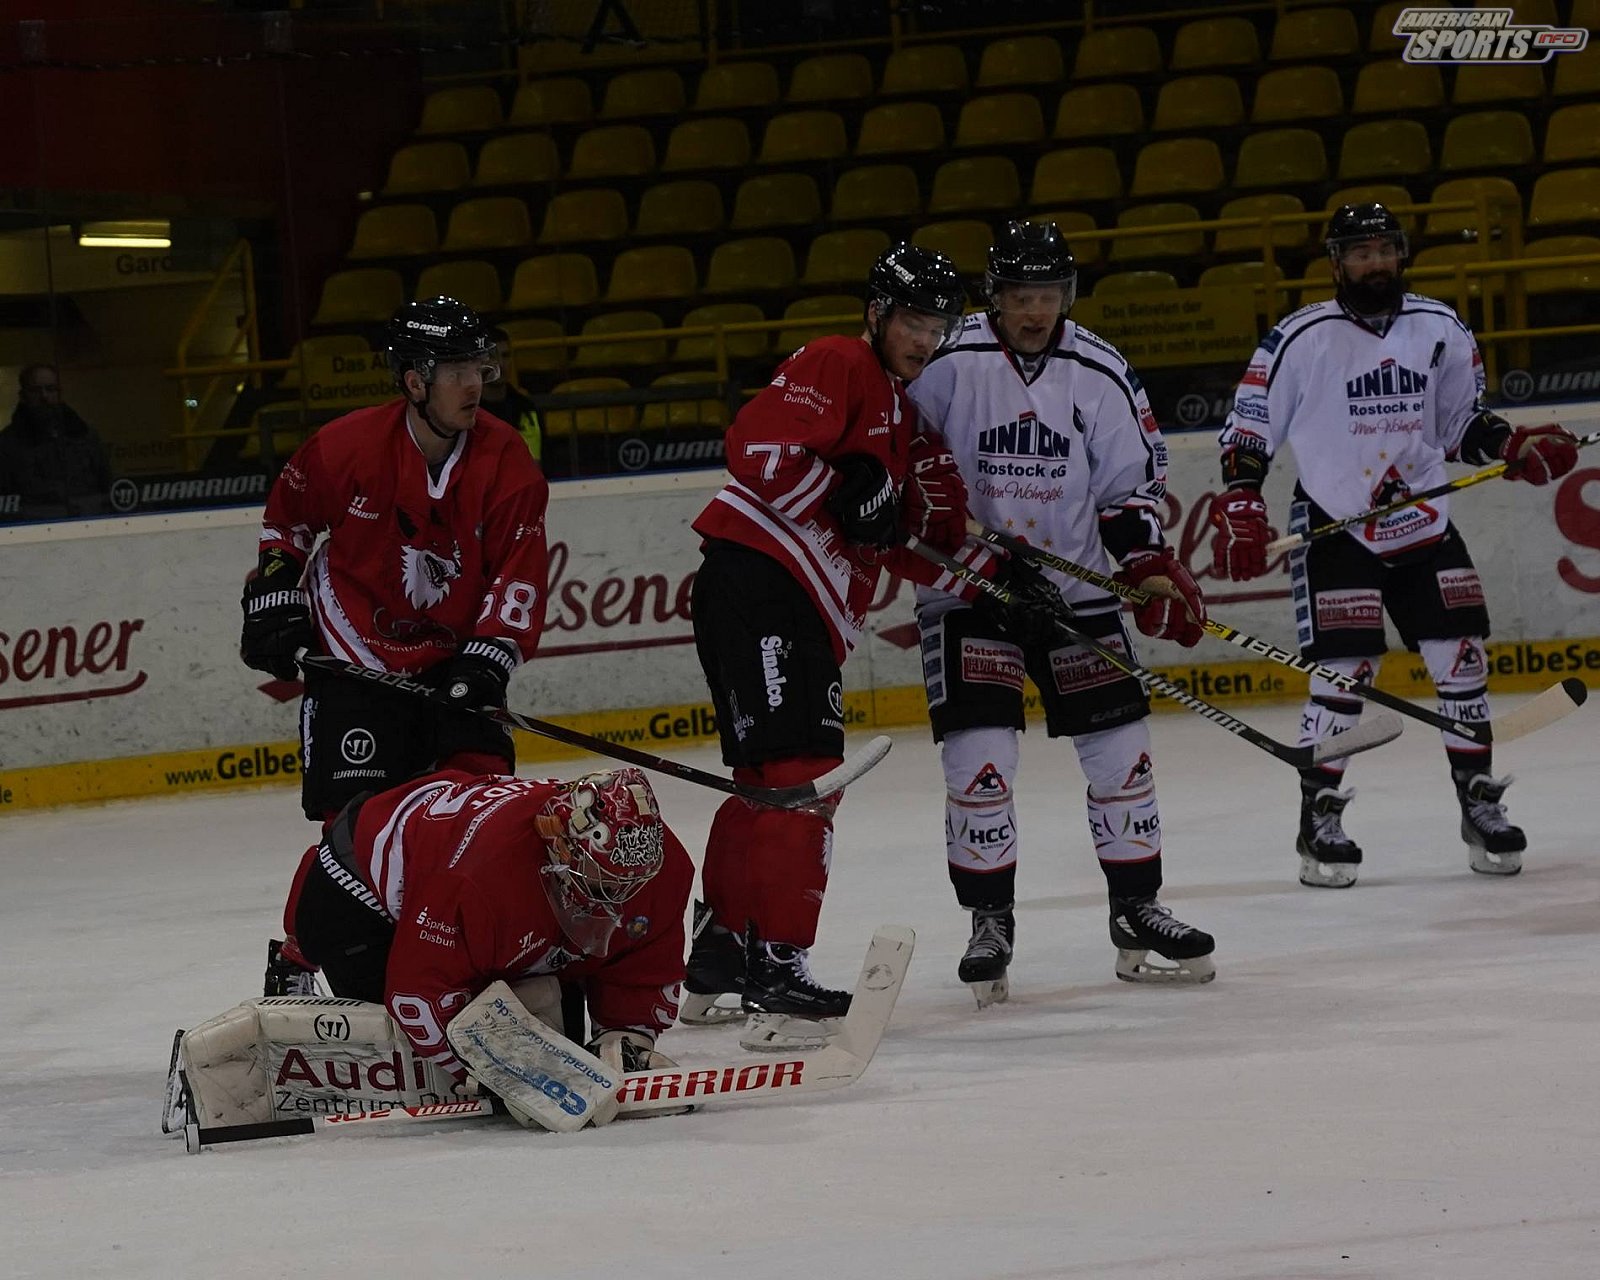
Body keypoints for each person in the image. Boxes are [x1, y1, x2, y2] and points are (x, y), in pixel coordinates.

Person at [1210, 202, 1579, 888]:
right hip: (1337, 527)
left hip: (1424, 524)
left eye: (1385, 250)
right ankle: (1319, 816)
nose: (1375, 263)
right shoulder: (1301, 336)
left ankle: (1478, 803)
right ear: (1337, 263)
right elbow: (1249, 427)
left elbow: (1459, 424)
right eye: (1361, 253)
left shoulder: (1440, 327)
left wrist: (1511, 446)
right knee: (1345, 675)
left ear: (1401, 254)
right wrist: (1241, 498)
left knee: (1461, 659)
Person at [682, 242, 995, 1028]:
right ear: (877, 314)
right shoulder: (841, 362)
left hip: (764, 591)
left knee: (766, 779)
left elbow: (886, 539)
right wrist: (844, 485)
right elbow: (756, 448)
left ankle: (723, 947)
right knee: (805, 776)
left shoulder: (895, 409)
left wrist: (991, 584)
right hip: (766, 583)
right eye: (914, 322)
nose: (925, 340)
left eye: (938, 328)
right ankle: (778, 964)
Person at [904, 220, 1216, 1003]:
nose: (1036, 311)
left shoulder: (1100, 369)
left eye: (1047, 295)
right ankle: (989, 920)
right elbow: (900, 457)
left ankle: (1136, 908)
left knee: (1123, 751)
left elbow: (1129, 486)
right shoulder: (947, 361)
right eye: (1020, 296)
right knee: (979, 760)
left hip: (1075, 592)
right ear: (995, 296)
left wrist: (1144, 563)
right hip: (971, 590)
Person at [239, 296, 551, 832]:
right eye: (456, 372)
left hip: (454, 660)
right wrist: (275, 594)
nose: (474, 385)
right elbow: (287, 525)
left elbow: (517, 570)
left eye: (478, 368)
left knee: (480, 818)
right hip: (354, 653)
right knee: (356, 832)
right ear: (414, 382)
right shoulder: (345, 447)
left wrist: (486, 662)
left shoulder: (507, 461)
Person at [279, 764, 690, 1081]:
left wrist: (625, 1039)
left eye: (627, 885)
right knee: (398, 1053)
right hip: (358, 887)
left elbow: (642, 964)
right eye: (604, 882)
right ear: (561, 846)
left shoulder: (657, 868)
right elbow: (417, 993)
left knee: (557, 1040)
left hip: (482, 893)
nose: (617, 897)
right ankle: (293, 961)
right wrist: (491, 1074)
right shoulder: (477, 877)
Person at [0, 363, 114, 519]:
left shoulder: (84, 435)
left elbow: (107, 485)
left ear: (59, 393)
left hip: (91, 524)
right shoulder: (8, 444)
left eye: (50, 389)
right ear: (23, 395)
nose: (44, 396)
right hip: (33, 528)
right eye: (35, 390)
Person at [483, 326, 547, 464]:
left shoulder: (526, 409)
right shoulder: (467, 412)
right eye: (492, 356)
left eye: (505, 356)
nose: (500, 364)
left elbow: (533, 465)